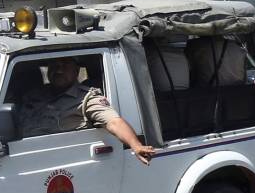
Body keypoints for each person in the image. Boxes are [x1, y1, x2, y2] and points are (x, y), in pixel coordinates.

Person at [18, 56, 154, 163]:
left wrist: (135, 145)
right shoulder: (33, 95)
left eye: (65, 65)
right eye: (54, 65)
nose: (58, 70)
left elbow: (114, 122)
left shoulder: (87, 98)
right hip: (22, 154)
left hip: (62, 158)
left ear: (76, 71)